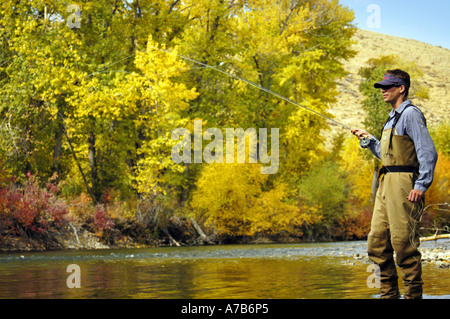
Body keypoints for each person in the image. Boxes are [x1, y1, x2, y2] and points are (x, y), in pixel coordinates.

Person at [351, 69, 438, 299]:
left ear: (402, 88)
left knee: (403, 246)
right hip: (386, 182)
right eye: (381, 86)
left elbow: (427, 151)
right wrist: (370, 141)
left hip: (404, 184)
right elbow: (387, 154)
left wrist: (421, 185)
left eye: (388, 86)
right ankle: (388, 296)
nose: (383, 90)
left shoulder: (411, 114)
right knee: (377, 243)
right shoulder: (392, 117)